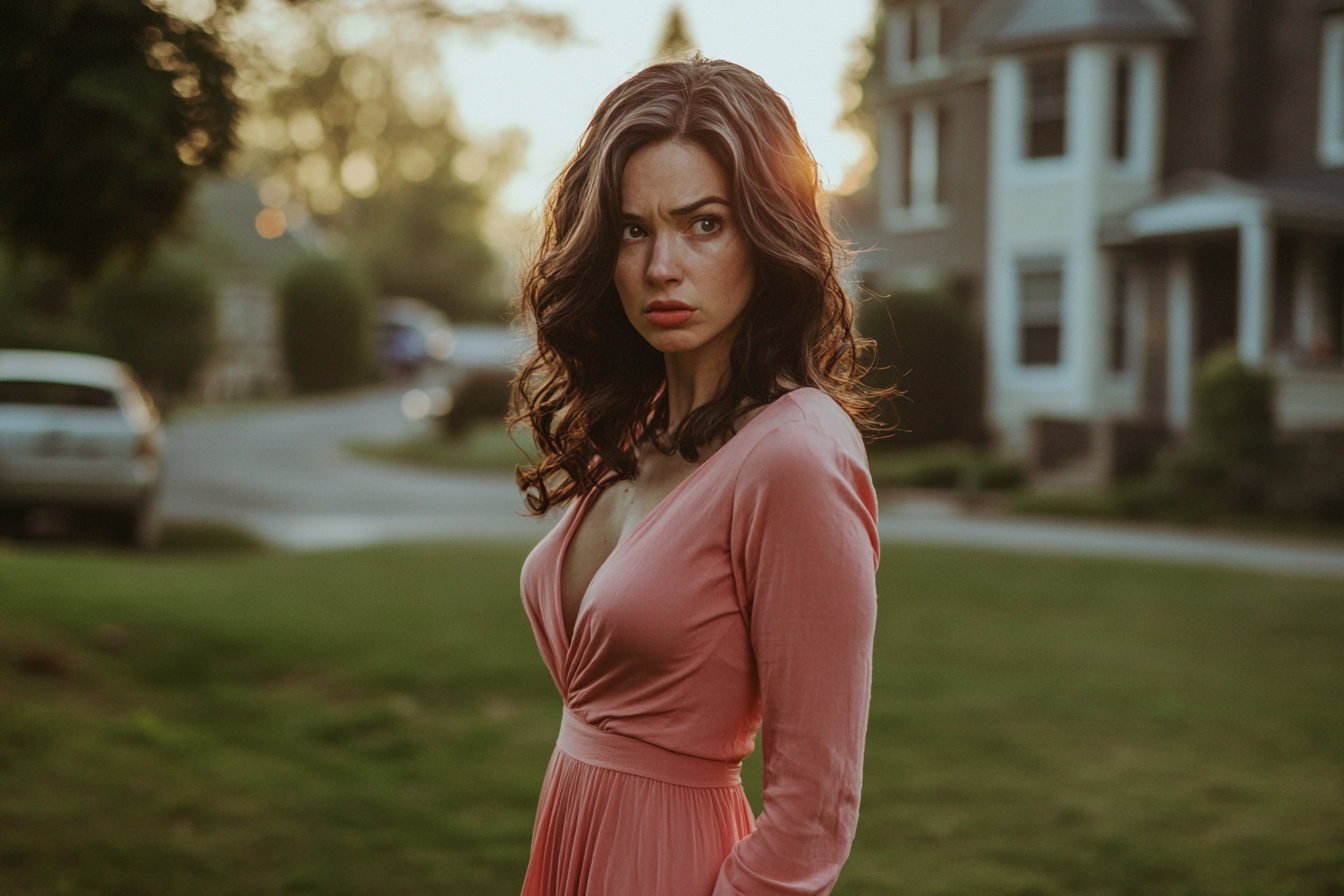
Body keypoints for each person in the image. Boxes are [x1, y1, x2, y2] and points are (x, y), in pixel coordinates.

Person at [510, 56, 882, 896]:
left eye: (703, 224)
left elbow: (813, 815)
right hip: (574, 848)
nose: (659, 267)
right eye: (634, 230)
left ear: (764, 233)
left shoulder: (795, 455)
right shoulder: (638, 432)